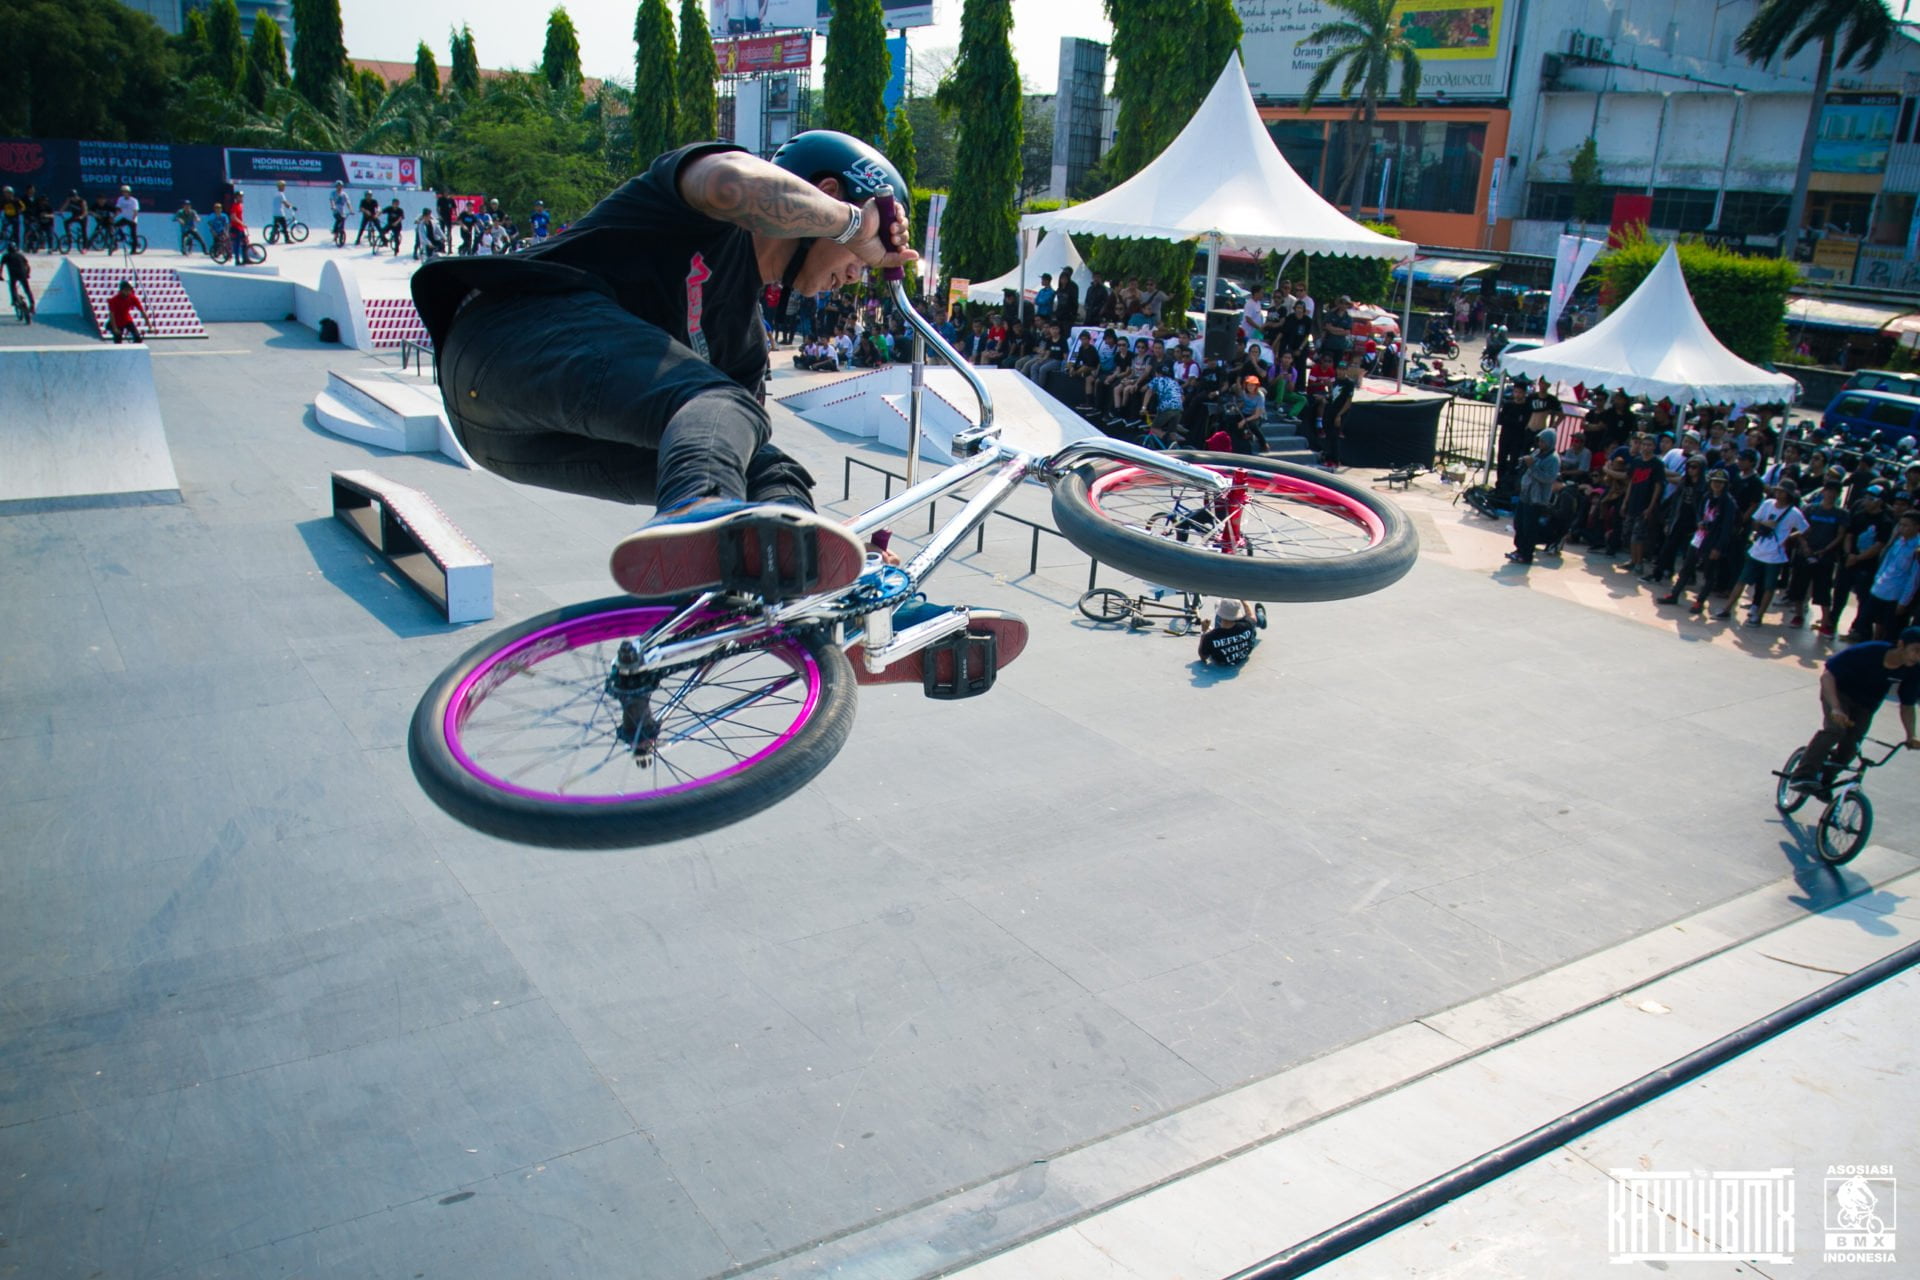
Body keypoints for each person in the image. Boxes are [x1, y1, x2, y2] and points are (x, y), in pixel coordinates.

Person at [412, 130, 924, 607]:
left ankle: (818, 584)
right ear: (828, 194)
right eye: (863, 255)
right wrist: (855, 223)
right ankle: (702, 506)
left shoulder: (746, 347)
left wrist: (831, 549)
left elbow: (734, 450)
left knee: (763, 463)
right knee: (721, 403)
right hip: (503, 340)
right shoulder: (702, 211)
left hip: (518, 442)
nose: (858, 272)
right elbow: (730, 184)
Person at [1788, 627, 1920, 793]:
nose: (1918, 657)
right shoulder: (1869, 651)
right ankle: (1802, 775)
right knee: (1836, 730)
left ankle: (1825, 780)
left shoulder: (1914, 669)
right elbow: (1828, 676)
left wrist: (1911, 735)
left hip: (1866, 705)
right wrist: (1836, 708)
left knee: (1852, 745)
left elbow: (1907, 705)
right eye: (1916, 650)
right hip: (1838, 693)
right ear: (1901, 645)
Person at [1718, 480, 1808, 624]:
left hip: (1775, 556)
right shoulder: (1768, 504)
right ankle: (1726, 609)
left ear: (1789, 495)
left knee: (1769, 587)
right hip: (1758, 550)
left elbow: (1805, 529)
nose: (1778, 494)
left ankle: (1758, 616)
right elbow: (1755, 521)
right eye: (1777, 490)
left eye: (1782, 492)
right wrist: (1763, 525)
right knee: (1741, 580)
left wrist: (1788, 537)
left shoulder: (1794, 513)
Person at [1507, 428, 1561, 565]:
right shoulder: (1538, 452)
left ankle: (1526, 554)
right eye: (1539, 441)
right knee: (1519, 523)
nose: (1540, 444)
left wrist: (1532, 466)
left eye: (1543, 441)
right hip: (1526, 493)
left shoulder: (1553, 459)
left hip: (1537, 498)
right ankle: (1519, 549)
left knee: (1529, 527)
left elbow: (1548, 478)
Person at [1197, 599, 1259, 667]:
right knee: (1253, 625)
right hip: (1243, 655)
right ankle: (1260, 616)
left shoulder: (1210, 637)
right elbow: (1252, 618)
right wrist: (1243, 600)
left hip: (1223, 660)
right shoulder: (1247, 625)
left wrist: (1204, 631)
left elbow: (1203, 656)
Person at [4, 242, 32, 321]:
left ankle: (14, 300)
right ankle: (32, 303)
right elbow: (28, 266)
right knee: (27, 290)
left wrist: (0, 276)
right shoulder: (20, 255)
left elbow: (1, 267)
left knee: (12, 287)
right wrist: (27, 274)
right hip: (23, 275)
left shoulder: (6, 256)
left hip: (13, 276)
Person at [330, 181, 351, 246]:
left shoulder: (344, 194)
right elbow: (331, 200)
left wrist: (351, 210)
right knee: (339, 219)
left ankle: (341, 236)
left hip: (342, 211)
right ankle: (335, 231)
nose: (339, 187)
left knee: (342, 222)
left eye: (341, 186)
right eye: (338, 186)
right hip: (336, 211)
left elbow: (348, 202)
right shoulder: (333, 193)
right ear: (336, 187)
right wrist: (333, 206)